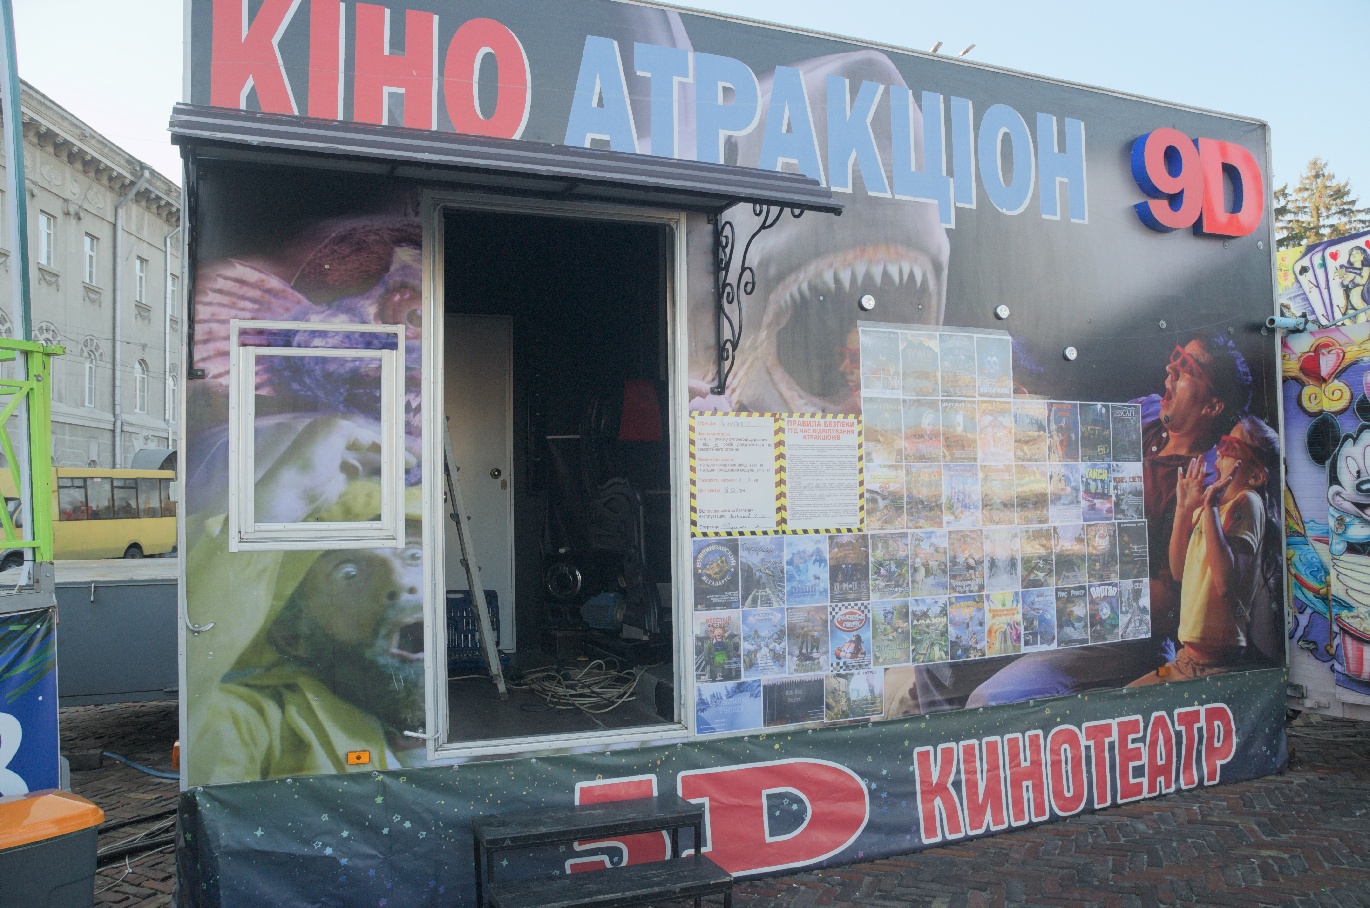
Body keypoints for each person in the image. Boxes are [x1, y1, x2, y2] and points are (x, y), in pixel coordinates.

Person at [912, 334, 1255, 711]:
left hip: (1120, 634)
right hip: (1059, 594)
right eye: (1175, 358)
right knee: (933, 648)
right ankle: (950, 747)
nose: (1170, 369)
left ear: (1212, 405)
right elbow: (1064, 434)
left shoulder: (1203, 483)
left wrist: (1069, 593)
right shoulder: (1147, 412)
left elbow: (1165, 601)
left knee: (991, 699)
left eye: (1186, 366)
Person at [1132, 416, 1281, 684]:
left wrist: (1210, 509)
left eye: (1232, 447)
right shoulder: (1210, 509)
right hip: (1186, 661)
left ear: (1256, 475)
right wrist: (1184, 508)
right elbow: (1178, 570)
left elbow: (1225, 583)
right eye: (1222, 443)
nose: (1220, 451)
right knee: (1133, 692)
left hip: (1218, 665)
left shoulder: (1248, 502)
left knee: (1137, 696)